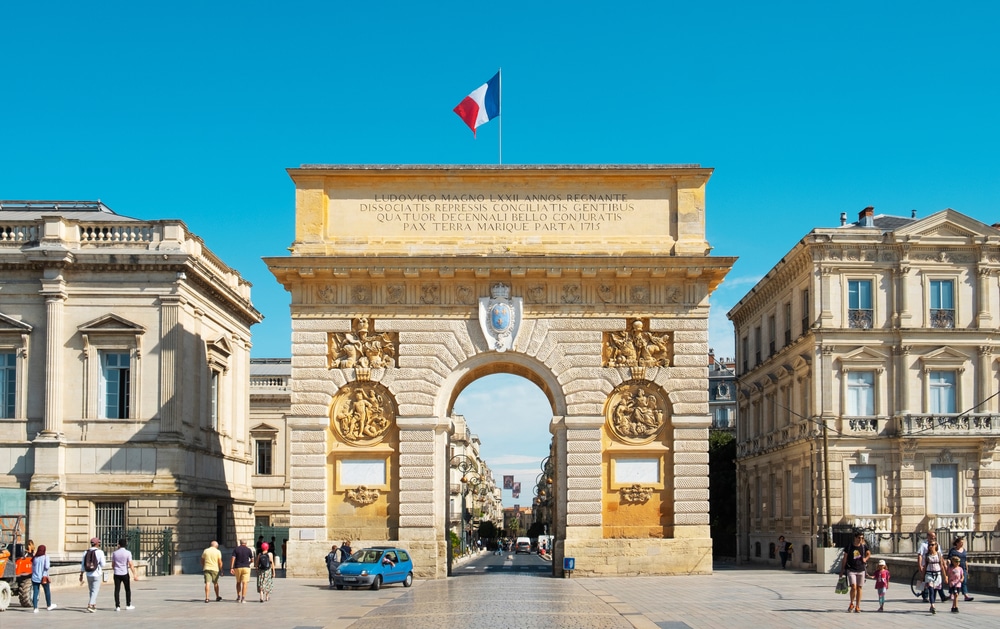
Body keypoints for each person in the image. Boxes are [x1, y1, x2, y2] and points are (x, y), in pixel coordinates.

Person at [838, 529, 870, 613]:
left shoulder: (863, 546)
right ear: (855, 538)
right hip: (851, 569)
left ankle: (858, 606)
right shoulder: (849, 546)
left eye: (862, 538)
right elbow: (844, 558)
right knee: (853, 586)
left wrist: (865, 559)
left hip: (861, 569)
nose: (860, 540)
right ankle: (852, 602)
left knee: (859, 588)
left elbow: (869, 553)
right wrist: (842, 570)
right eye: (859, 538)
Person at [79, 536, 106, 613]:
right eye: (99, 543)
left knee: (91, 590)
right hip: (97, 573)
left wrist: (81, 574)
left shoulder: (85, 552)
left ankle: (93, 605)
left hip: (88, 574)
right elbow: (103, 564)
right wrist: (98, 565)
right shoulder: (100, 552)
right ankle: (90, 604)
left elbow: (83, 564)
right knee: (95, 590)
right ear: (97, 544)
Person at [111, 537, 138, 611]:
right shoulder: (128, 553)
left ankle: (117, 606)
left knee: (117, 589)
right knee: (127, 589)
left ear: (119, 544)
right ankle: (128, 604)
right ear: (125, 545)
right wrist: (134, 574)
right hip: (125, 573)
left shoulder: (114, 553)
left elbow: (113, 564)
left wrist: (115, 568)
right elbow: (130, 564)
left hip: (117, 573)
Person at [946, 536, 974, 601]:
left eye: (962, 543)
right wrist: (948, 563)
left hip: (962, 568)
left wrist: (967, 569)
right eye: (961, 542)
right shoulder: (953, 550)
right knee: (953, 581)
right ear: (957, 543)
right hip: (954, 568)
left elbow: (965, 560)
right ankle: (951, 594)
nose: (962, 544)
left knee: (963, 581)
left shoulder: (964, 550)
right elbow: (949, 558)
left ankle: (965, 595)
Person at [30, 544, 55, 612]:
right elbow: (47, 567)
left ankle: (35, 608)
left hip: (35, 577)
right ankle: (49, 605)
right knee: (47, 591)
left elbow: (32, 568)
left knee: (35, 592)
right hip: (43, 577)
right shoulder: (45, 557)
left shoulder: (35, 558)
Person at [922, 540, 944, 614]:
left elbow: (942, 565)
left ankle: (932, 604)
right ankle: (933, 605)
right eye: (929, 545)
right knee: (931, 590)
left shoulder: (939, 554)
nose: (930, 546)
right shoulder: (927, 555)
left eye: (932, 545)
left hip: (937, 574)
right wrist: (922, 576)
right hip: (929, 574)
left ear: (936, 546)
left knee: (934, 591)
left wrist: (945, 576)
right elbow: (925, 566)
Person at [230, 539, 254, 603]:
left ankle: (238, 596)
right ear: (246, 543)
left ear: (240, 543)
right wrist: (248, 563)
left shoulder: (236, 549)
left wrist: (231, 567)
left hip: (238, 567)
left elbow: (233, 558)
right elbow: (252, 559)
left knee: (238, 582)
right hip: (246, 568)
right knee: (245, 583)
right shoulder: (249, 550)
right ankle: (243, 598)